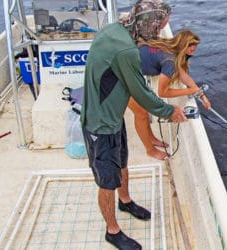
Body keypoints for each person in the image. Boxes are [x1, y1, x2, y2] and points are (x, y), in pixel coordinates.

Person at [80, 1, 187, 249]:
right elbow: (141, 93)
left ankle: (125, 200)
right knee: (107, 180)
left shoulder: (113, 29)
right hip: (100, 124)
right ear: (147, 24)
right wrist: (170, 111)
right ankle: (112, 230)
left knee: (122, 162)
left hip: (113, 115)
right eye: (158, 27)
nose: (159, 32)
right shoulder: (126, 51)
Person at [127, 29, 211, 160]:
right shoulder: (170, 61)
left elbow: (185, 77)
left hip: (130, 71)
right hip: (120, 74)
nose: (193, 54)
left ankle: (151, 139)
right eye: (192, 51)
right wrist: (190, 91)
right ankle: (150, 150)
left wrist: (202, 95)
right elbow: (163, 92)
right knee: (142, 113)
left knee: (144, 110)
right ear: (184, 47)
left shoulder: (169, 47)